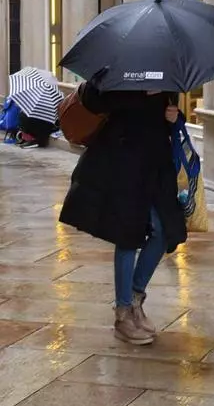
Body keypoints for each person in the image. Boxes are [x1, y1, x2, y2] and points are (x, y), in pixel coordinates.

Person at [59, 84, 187, 345]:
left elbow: (167, 118)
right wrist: (138, 94)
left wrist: (175, 117)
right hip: (122, 163)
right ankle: (123, 313)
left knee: (163, 230)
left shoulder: (165, 71)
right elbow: (94, 100)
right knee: (128, 233)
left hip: (157, 166)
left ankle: (135, 297)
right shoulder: (117, 69)